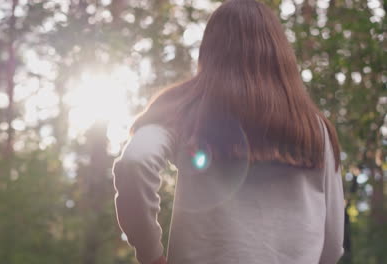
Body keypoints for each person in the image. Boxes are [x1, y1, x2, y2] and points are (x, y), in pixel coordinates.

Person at [112, 0, 345, 263]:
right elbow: (333, 243)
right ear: (280, 53)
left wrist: (150, 254)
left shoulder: (184, 110)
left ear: (210, 52)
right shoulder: (314, 128)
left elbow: (136, 160)